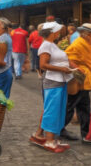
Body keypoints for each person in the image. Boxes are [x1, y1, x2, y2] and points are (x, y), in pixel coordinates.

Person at [30, 22, 73, 153]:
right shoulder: (46, 45)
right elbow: (43, 65)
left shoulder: (52, 44)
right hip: (53, 81)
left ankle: (50, 138)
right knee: (52, 110)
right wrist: (62, 69)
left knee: (57, 110)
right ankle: (49, 141)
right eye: (58, 31)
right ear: (53, 32)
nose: (59, 33)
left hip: (60, 81)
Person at [60, 23, 91, 142]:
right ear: (88, 35)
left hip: (84, 82)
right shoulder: (79, 44)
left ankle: (85, 133)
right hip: (79, 81)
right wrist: (79, 70)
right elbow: (67, 58)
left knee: (83, 107)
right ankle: (58, 129)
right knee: (70, 107)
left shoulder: (86, 43)